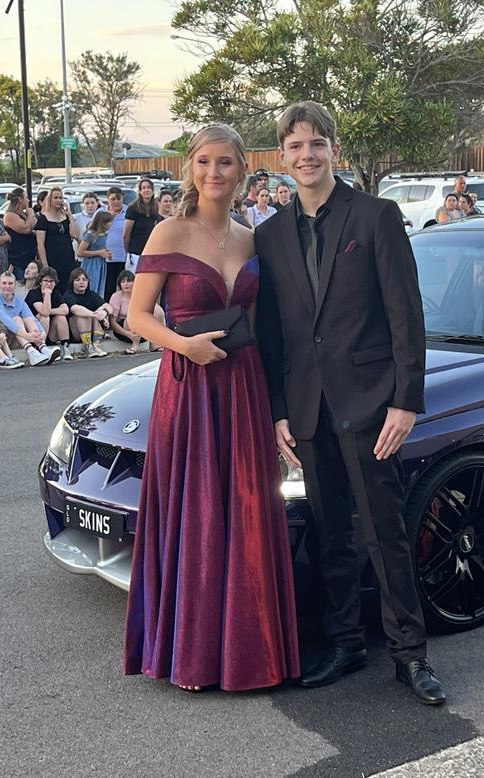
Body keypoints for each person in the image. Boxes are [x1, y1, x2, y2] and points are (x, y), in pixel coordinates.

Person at [255, 100, 446, 704]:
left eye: (316, 143)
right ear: (281, 158)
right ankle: (345, 642)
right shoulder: (269, 234)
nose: (306, 155)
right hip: (308, 410)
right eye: (294, 146)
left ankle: (410, 654)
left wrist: (404, 400)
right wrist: (279, 410)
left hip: (370, 405)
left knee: (385, 533)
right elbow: (275, 333)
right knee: (330, 529)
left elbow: (405, 315)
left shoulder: (376, 216)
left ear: (333, 149)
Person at [123, 123, 300, 693]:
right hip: (190, 386)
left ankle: (252, 650)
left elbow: (270, 327)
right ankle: (194, 653)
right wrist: (184, 346)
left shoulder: (253, 240)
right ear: (190, 169)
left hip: (243, 386)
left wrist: (278, 408)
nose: (214, 173)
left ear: (243, 170)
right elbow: (139, 316)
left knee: (245, 506)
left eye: (226, 163)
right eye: (204, 162)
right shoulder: (168, 233)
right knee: (198, 511)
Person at [0, 271, 59, 365]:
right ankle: (32, 352)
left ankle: (43, 348)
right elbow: (5, 320)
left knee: (27, 319)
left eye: (10, 283)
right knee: (16, 319)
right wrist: (26, 335)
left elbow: (30, 317)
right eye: (4, 283)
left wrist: (41, 333)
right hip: (2, 339)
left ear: (15, 285)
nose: (7, 286)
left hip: (19, 338)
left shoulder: (19, 301)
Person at [108, 269, 165, 353]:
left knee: (157, 309)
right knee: (132, 315)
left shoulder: (141, 293)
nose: (126, 284)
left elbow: (156, 312)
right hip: (124, 330)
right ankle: (135, 345)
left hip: (143, 328)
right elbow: (113, 323)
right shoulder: (116, 296)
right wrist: (127, 334)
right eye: (123, 281)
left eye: (129, 281)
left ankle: (155, 343)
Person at [23, 266, 73, 360]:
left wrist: (50, 311)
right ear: (40, 282)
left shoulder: (56, 294)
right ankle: (42, 348)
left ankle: (65, 347)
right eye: (46, 281)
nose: (49, 284)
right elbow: (44, 312)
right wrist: (47, 295)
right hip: (34, 334)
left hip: (50, 333)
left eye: (51, 281)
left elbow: (65, 310)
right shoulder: (34, 293)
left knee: (60, 317)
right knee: (43, 316)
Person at [35, 187, 78, 294]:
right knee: (55, 286)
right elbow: (40, 243)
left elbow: (75, 234)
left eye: (60, 198)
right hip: (52, 257)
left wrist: (70, 215)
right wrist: (45, 264)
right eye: (56, 198)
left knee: (69, 285)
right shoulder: (43, 218)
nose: (59, 200)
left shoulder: (66, 217)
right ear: (50, 199)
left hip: (67, 256)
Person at [63, 267, 112, 358]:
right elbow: (75, 309)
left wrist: (103, 312)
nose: (81, 282)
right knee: (83, 315)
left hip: (93, 330)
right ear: (72, 282)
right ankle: (88, 346)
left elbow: (109, 307)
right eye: (77, 280)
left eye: (84, 280)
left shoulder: (91, 294)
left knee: (102, 311)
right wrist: (96, 315)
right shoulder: (68, 295)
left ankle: (97, 345)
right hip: (76, 332)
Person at [123, 178, 162, 270]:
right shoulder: (133, 209)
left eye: (149, 187)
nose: (146, 190)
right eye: (143, 188)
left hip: (151, 253)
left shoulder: (156, 208)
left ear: (153, 191)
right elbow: (126, 235)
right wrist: (128, 252)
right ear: (140, 191)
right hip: (135, 254)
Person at [77, 211, 114, 297]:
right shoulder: (91, 234)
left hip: (101, 264)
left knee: (100, 287)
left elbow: (101, 247)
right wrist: (99, 253)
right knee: (91, 285)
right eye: (108, 222)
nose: (110, 224)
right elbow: (80, 252)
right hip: (91, 264)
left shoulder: (104, 234)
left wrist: (107, 253)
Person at [3, 188, 37, 281]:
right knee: (20, 284)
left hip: (29, 258)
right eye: (26, 197)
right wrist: (30, 214)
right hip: (18, 260)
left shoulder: (23, 214)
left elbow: (33, 226)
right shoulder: (10, 215)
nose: (28, 200)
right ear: (20, 199)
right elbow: (26, 229)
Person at [104, 186, 128, 302]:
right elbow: (92, 229)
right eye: (113, 199)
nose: (116, 202)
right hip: (107, 257)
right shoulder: (101, 212)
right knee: (108, 287)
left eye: (119, 199)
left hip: (124, 256)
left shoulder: (129, 212)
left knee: (125, 287)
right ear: (108, 199)